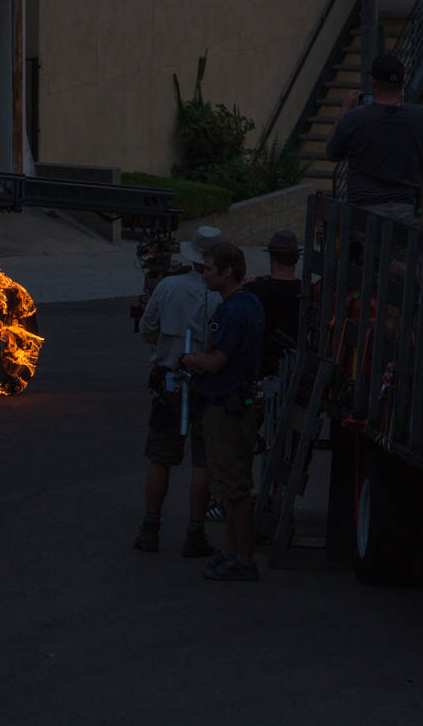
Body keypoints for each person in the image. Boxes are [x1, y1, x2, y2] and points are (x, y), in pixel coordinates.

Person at [177, 242, 265, 581]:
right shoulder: (251, 303)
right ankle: (232, 552)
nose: (205, 273)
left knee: (234, 489)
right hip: (241, 405)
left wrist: (187, 360)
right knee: (233, 487)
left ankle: (242, 558)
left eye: (210, 268)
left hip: (226, 410)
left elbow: (216, 361)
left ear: (227, 271)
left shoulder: (231, 312)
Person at [133, 225, 224, 555]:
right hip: (207, 384)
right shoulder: (220, 296)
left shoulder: (168, 286)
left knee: (160, 458)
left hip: (170, 382)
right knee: (203, 462)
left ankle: (149, 527)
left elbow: (146, 329)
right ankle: (195, 533)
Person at [325, 54, 423, 219]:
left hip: (363, 210)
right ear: (402, 85)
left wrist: (344, 110)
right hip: (405, 211)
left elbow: (331, 153)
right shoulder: (421, 116)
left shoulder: (354, 119)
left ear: (373, 83)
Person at [245, 229, 303, 376]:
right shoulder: (306, 292)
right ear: (296, 258)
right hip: (297, 367)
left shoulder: (254, 290)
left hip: (262, 367)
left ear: (271, 256)